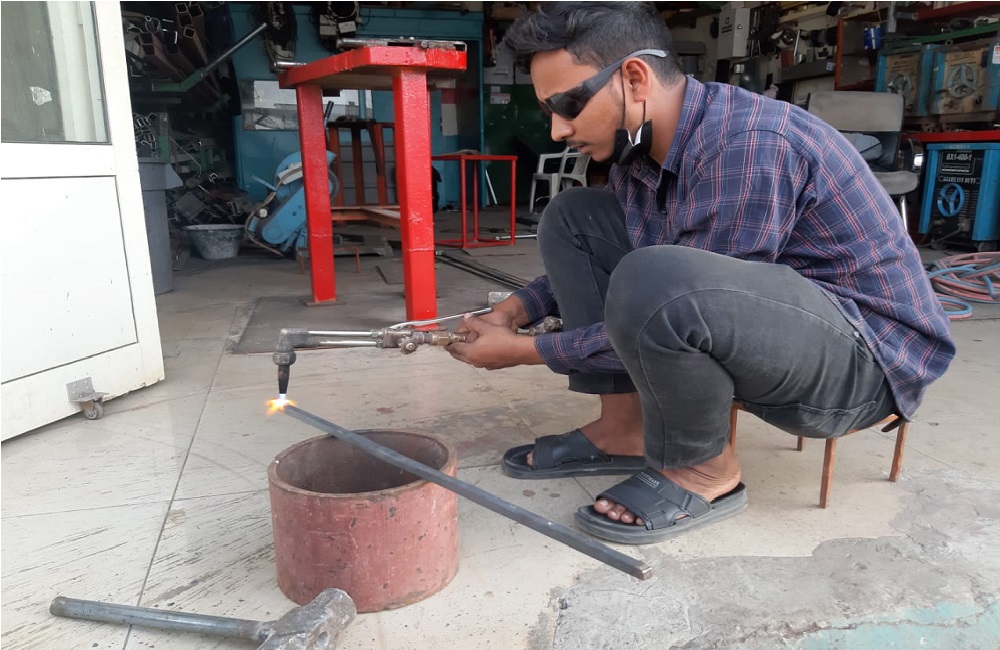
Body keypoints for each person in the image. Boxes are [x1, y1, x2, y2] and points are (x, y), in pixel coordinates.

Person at [447, 2, 954, 544]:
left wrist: (527, 351)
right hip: (784, 322)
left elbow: (673, 302)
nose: (557, 130)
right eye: (549, 109)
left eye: (569, 104)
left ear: (634, 78)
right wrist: (514, 310)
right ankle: (625, 429)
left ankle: (704, 470)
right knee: (575, 217)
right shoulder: (644, 149)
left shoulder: (747, 142)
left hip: (866, 363)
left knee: (657, 277)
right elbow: (651, 276)